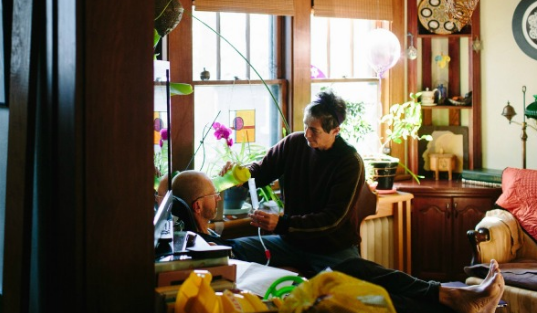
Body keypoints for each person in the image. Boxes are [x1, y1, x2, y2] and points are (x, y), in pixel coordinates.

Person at [171, 170, 506, 313]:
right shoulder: (207, 250)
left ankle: (448, 294)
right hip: (275, 269)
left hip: (300, 243)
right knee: (353, 283)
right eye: (215, 194)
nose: (220, 197)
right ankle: (448, 300)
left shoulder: (209, 236)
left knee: (358, 268)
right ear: (197, 206)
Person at [222, 90, 365, 275]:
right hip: (290, 243)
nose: (306, 134)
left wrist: (282, 224)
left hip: (333, 249)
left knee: (346, 296)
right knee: (231, 250)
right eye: (306, 126)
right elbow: (261, 171)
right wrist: (238, 175)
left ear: (335, 131)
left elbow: (332, 220)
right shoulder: (294, 143)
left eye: (314, 130)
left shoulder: (350, 162)